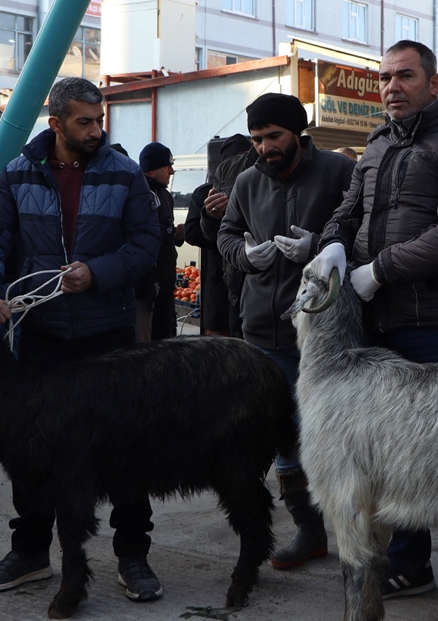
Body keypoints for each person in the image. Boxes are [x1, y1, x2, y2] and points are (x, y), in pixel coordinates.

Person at [311, 40, 438, 621]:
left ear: (435, 84)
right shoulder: (378, 142)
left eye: (405, 76)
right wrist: (335, 243)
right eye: (385, 76)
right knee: (396, 458)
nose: (392, 86)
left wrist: (377, 270)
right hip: (378, 327)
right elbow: (349, 210)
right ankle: (410, 563)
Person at [0, 76, 162, 601]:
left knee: (125, 446)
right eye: (85, 122)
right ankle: (30, 552)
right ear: (55, 123)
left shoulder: (125, 175)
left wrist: (97, 272)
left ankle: (133, 555)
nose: (96, 130)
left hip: (108, 335)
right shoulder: (16, 174)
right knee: (33, 451)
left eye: (99, 121)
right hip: (41, 337)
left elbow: (148, 244)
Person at [216, 93, 354, 570]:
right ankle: (309, 532)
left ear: (298, 131)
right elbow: (227, 233)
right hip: (263, 332)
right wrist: (241, 255)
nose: (264, 147)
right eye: (256, 138)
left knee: (333, 437)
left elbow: (363, 232)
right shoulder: (248, 180)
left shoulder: (339, 172)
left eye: (273, 136)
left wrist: (319, 247)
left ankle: (359, 534)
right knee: (282, 439)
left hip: (323, 335)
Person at [184, 134, 251, 336]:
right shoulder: (205, 193)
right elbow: (192, 232)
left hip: (248, 282)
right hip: (217, 277)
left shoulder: (256, 188)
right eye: (236, 157)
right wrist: (217, 223)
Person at [135, 142, 182, 342]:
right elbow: (142, 234)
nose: (171, 171)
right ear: (152, 168)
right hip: (145, 286)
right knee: (146, 345)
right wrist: (171, 233)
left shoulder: (165, 195)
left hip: (165, 283)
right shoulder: (137, 194)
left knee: (166, 338)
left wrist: (176, 236)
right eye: (167, 166)